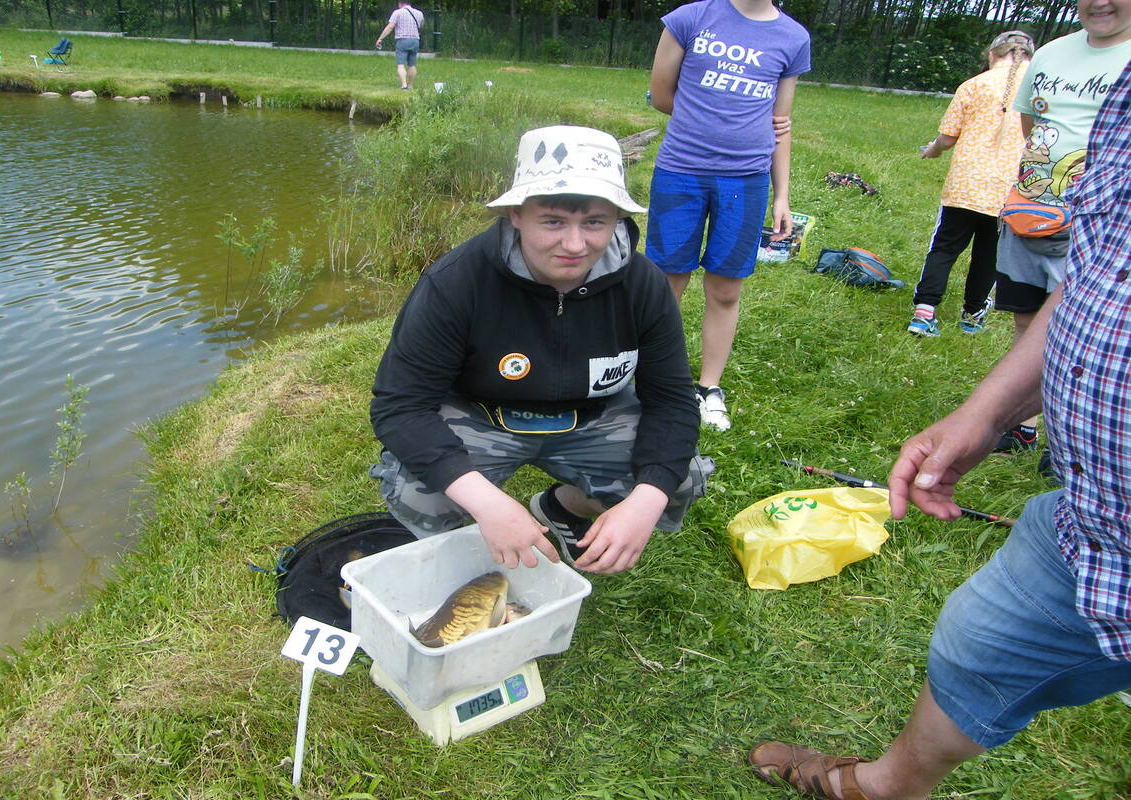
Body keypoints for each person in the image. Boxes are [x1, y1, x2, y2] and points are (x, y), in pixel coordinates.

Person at [748, 57, 1131, 800]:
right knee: (981, 639)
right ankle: (882, 787)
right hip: (1089, 518)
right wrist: (986, 412)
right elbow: (1099, 276)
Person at [370, 125, 714, 575]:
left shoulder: (643, 284)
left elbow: (671, 400)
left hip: (594, 416)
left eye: (594, 222)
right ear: (516, 214)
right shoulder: (455, 282)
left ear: (617, 218)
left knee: (674, 479)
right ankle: (460, 546)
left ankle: (564, 507)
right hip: (481, 414)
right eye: (553, 221)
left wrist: (646, 502)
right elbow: (400, 405)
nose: (574, 244)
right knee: (422, 493)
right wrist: (487, 503)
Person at [646, 0, 810, 431]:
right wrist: (708, 117)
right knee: (666, 282)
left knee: (725, 289)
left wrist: (782, 195)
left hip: (745, 183)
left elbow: (780, 123)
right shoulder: (689, 18)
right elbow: (662, 96)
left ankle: (708, 388)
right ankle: (655, 381)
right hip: (680, 173)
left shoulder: (793, 38)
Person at [990, 0, 1131, 454]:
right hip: (1029, 213)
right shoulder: (1050, 53)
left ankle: (1066, 442)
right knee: (1027, 320)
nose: (1099, 3)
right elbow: (1031, 123)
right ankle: (1023, 426)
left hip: (1100, 227)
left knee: (1083, 336)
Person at [907, 31, 1035, 338]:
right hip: (1009, 190)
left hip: (964, 186)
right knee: (989, 254)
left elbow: (947, 138)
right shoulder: (1040, 89)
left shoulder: (974, 85)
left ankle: (924, 312)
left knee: (945, 247)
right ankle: (973, 314)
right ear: (1030, 58)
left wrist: (933, 150)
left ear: (992, 55)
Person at [375, 1, 424, 91]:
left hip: (402, 40)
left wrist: (380, 38)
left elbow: (390, 27)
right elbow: (421, 26)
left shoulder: (397, 12)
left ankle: (404, 85)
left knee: (401, 65)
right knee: (412, 65)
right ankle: (411, 86)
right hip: (415, 40)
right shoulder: (419, 13)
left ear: (400, 3)